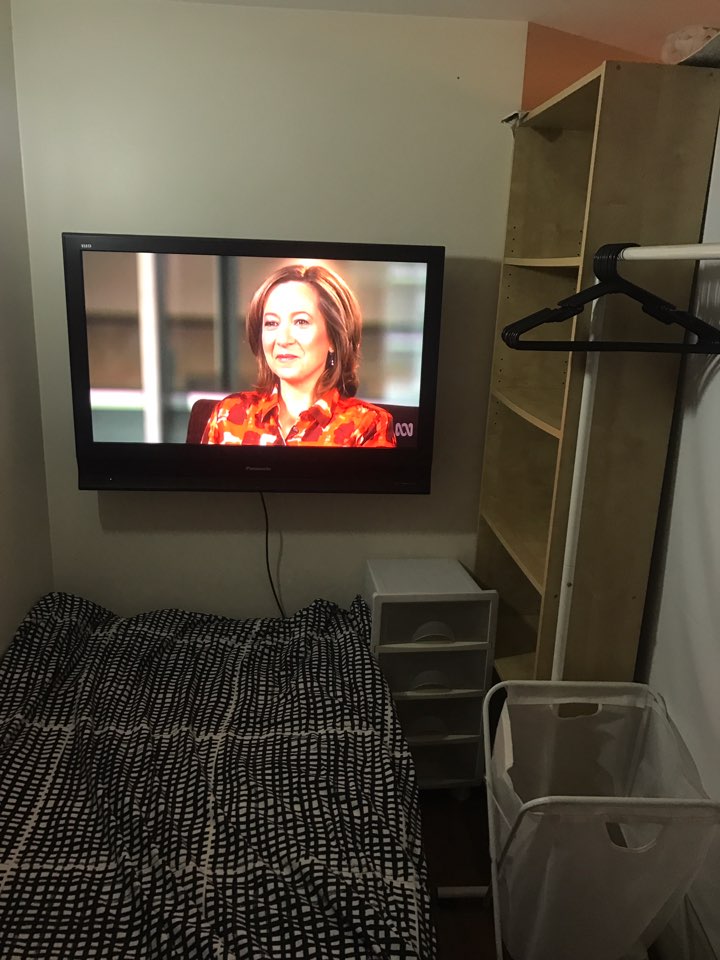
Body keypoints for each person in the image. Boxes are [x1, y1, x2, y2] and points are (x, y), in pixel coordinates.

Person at [201, 263, 396, 447]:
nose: (283, 339)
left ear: (334, 338)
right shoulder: (230, 415)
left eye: (301, 322)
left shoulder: (367, 425)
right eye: (271, 323)